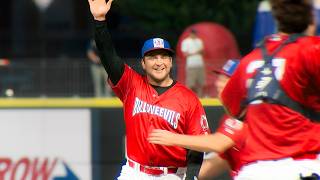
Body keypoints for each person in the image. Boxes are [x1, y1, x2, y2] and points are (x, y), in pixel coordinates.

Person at [150, 0, 320, 179]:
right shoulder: (310, 49)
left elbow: (232, 113)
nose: (219, 82)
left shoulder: (250, 60)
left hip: (253, 171)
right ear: (311, 21)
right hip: (299, 165)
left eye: (225, 78)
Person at [87, 0, 210, 179]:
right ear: (143, 64)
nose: (159, 62)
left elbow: (198, 146)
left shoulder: (188, 98)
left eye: (164, 57)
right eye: (152, 57)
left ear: (170, 62)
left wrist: (191, 178)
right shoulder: (131, 84)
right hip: (134, 172)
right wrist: (99, 22)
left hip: (172, 175)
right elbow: (108, 56)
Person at [149, 60, 247, 179]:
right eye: (220, 78)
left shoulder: (249, 114)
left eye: (226, 79)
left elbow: (217, 143)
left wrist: (172, 137)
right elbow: (219, 162)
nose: (219, 83)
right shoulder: (228, 119)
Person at [181, 29, 205, 97]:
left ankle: (200, 98)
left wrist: (194, 53)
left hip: (200, 64)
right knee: (190, 84)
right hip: (191, 65)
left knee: (201, 83)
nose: (194, 35)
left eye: (195, 33)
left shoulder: (199, 41)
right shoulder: (186, 42)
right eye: (193, 33)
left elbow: (202, 52)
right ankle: (188, 97)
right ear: (190, 34)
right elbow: (185, 54)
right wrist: (196, 52)